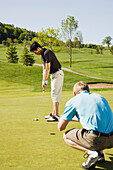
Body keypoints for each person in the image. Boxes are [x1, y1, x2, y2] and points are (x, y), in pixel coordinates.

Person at [58, 81, 113, 169]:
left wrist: (62, 118)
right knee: (98, 127)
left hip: (96, 139)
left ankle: (92, 153)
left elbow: (61, 127)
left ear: (74, 93)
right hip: (111, 140)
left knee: (66, 136)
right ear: (88, 90)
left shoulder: (74, 100)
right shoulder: (99, 97)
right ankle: (100, 155)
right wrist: (72, 118)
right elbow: (92, 118)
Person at [30, 41, 64, 122]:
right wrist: (43, 80)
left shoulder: (47, 53)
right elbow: (44, 69)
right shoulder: (42, 55)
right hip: (54, 75)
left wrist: (45, 80)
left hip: (57, 74)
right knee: (53, 94)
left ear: (38, 48)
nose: (35, 54)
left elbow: (48, 68)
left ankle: (56, 115)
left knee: (55, 93)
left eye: (35, 52)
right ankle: (54, 113)